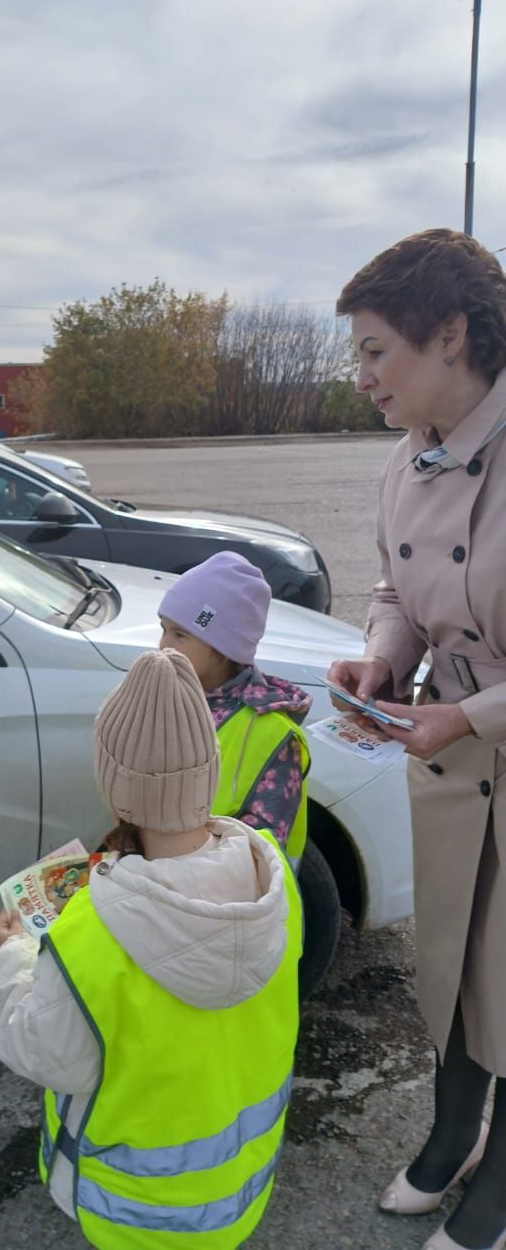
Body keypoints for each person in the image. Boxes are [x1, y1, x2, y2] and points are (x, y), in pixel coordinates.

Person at [0, 649, 301, 1248]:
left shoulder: (89, 928)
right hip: (239, 1186)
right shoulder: (276, 879)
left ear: (115, 789)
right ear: (208, 773)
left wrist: (14, 958)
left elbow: (49, 1057)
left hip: (131, 1207)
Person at [329, 229, 506, 1250]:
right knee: (450, 959)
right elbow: (398, 587)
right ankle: (451, 1132)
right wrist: (382, 660)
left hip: (485, 731)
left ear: (451, 336)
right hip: (452, 753)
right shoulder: (409, 458)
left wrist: (468, 712)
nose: (362, 378)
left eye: (374, 350)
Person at [157, 551, 311, 865]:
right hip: (167, 886)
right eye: (163, 629)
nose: (163, 645)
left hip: (234, 901)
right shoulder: (172, 697)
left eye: (180, 635)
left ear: (225, 649)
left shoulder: (273, 733)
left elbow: (262, 850)